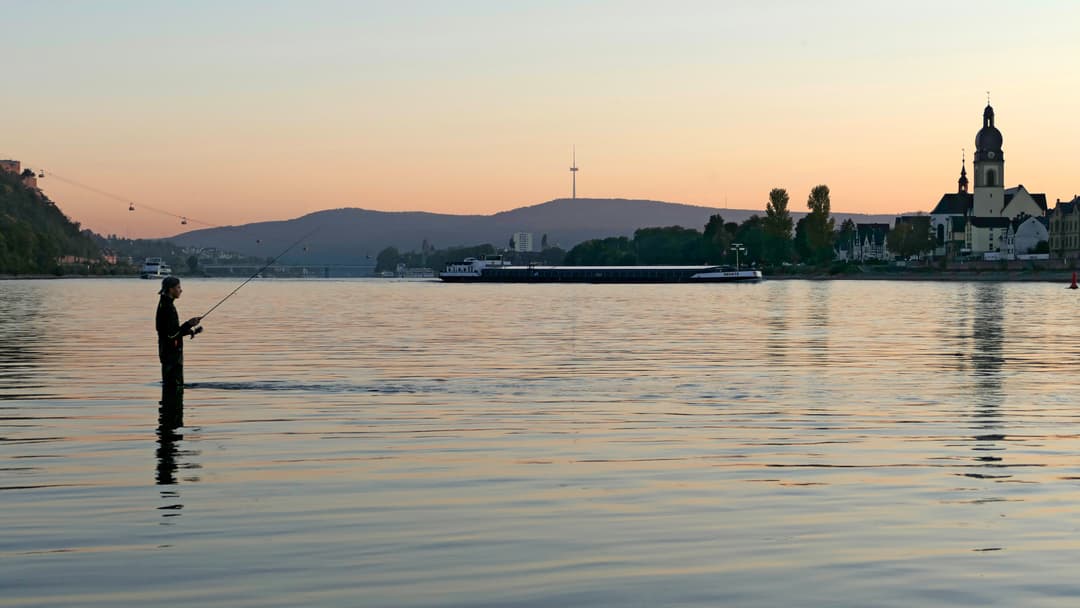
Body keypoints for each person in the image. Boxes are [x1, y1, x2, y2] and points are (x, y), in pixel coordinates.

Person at [156, 276, 203, 402]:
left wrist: (190, 330)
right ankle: (173, 420)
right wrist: (188, 324)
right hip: (171, 355)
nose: (181, 290)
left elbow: (172, 331)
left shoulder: (165, 304)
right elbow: (170, 335)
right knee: (174, 387)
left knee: (172, 387)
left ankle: (171, 419)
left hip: (169, 352)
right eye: (178, 287)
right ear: (171, 289)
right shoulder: (167, 308)